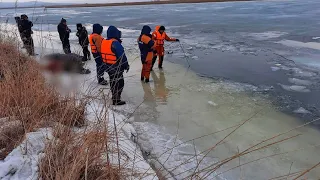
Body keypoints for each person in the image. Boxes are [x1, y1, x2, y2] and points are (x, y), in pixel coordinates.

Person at [101, 26, 129, 105]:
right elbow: (122, 56)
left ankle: (114, 97)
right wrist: (126, 65)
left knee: (113, 82)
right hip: (116, 67)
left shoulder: (104, 42)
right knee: (120, 83)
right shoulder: (115, 43)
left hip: (108, 66)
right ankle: (116, 100)